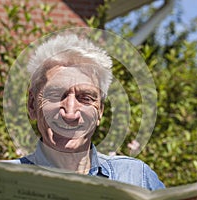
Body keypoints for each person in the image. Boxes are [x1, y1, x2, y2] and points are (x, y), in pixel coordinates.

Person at [13, 34, 165, 191]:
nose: (70, 113)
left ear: (99, 111)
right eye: (55, 95)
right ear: (32, 105)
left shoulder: (136, 177)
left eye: (85, 98)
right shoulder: (3, 180)